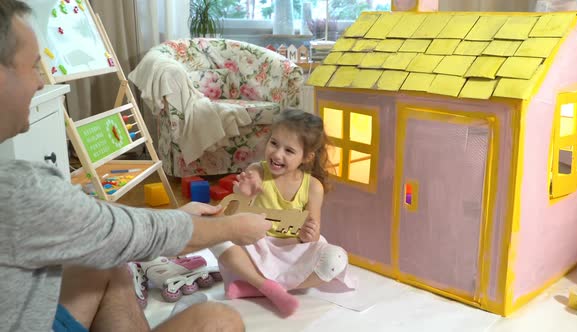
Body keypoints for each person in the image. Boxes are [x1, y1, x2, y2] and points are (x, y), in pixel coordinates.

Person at [0, 1, 271, 331]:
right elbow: (125, 234)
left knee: (106, 264)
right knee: (220, 321)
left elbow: (106, 231)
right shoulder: (17, 191)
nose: (41, 83)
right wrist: (233, 228)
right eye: (32, 66)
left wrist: (179, 217)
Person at [210, 109, 356, 317]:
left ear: (306, 157)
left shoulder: (313, 187)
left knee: (337, 258)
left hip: (292, 250)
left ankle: (257, 288)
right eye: (274, 143)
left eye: (289, 151)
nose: (277, 154)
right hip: (257, 246)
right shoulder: (257, 171)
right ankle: (267, 286)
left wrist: (309, 234)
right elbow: (232, 218)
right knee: (216, 235)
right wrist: (243, 195)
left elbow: (313, 235)